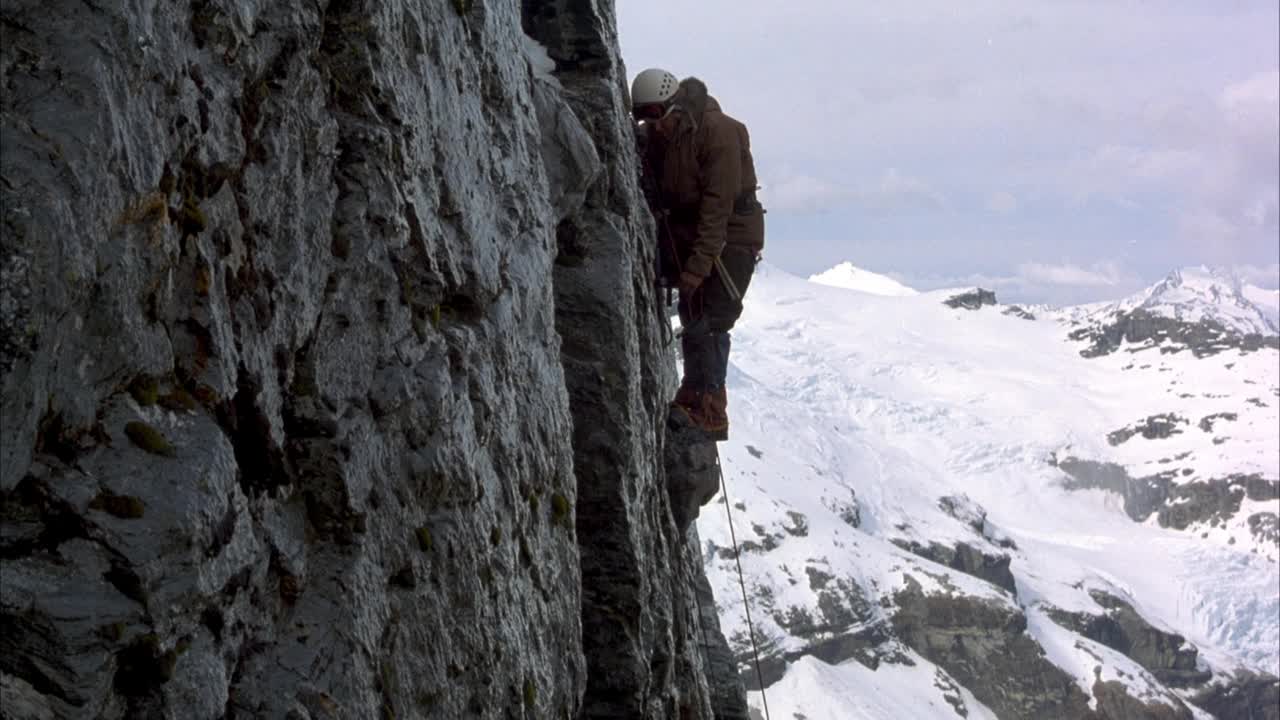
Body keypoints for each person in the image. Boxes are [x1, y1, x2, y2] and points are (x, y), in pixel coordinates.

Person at [631, 68, 765, 441]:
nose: (651, 126)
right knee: (694, 316)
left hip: (732, 239)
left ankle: (710, 409)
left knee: (711, 319)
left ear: (674, 106)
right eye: (643, 117)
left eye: (655, 116)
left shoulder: (717, 133)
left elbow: (717, 209)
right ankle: (693, 394)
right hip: (695, 235)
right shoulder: (665, 136)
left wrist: (696, 268)